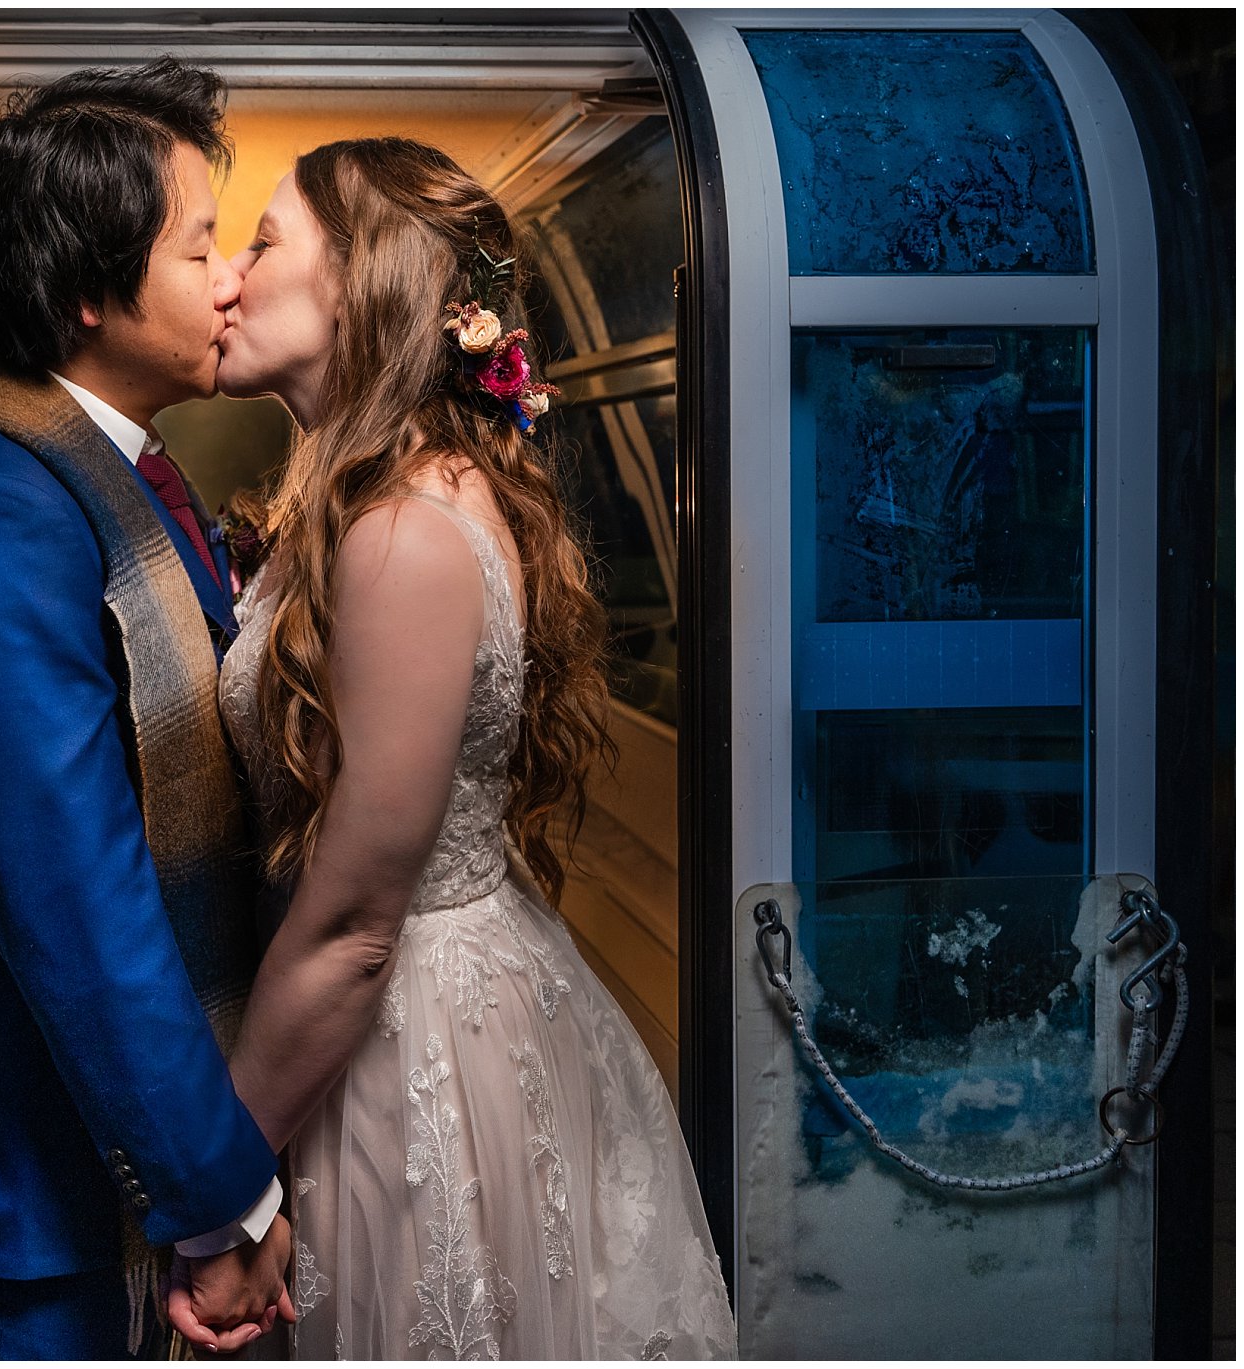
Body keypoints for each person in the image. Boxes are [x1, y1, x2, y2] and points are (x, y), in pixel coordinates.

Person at [178, 137, 738, 1358]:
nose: (225, 278)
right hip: (405, 997)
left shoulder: (398, 537)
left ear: (363, 284)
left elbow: (353, 922)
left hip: (402, 1032)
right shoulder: (372, 506)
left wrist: (218, 1195)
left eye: (263, 243)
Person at [0, 59, 296, 1360]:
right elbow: (79, 899)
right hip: (46, 1184)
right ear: (93, 291)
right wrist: (221, 1195)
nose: (229, 281)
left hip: (112, 1154)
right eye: (201, 246)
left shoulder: (113, 477)